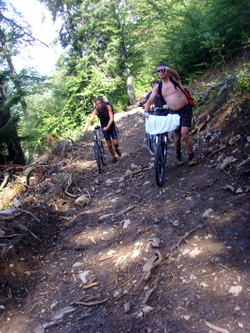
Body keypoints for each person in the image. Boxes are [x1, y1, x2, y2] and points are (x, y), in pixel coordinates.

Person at [144, 63, 197, 166]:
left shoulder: (174, 79)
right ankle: (178, 155)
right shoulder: (158, 87)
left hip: (185, 110)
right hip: (173, 112)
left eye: (162, 70)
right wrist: (146, 111)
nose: (160, 72)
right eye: (158, 71)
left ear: (167, 70)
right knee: (176, 137)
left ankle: (191, 156)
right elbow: (150, 99)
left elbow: (176, 74)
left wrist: (169, 70)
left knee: (185, 134)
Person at [81, 98, 121, 163]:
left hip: (111, 125)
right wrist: (84, 128)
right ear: (96, 105)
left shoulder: (108, 107)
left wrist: (107, 126)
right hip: (104, 127)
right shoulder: (95, 111)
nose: (99, 105)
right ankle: (114, 157)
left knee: (116, 143)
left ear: (102, 103)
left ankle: (116, 149)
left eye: (100, 103)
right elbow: (89, 120)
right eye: (97, 104)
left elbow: (111, 118)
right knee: (109, 144)